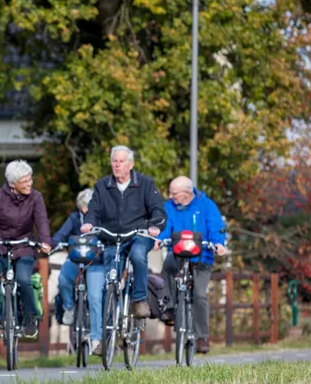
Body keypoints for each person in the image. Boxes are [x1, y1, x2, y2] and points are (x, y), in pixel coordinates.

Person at [81, 145, 166, 328]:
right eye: (114, 161)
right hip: (112, 236)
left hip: (138, 234)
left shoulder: (145, 184)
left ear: (130, 164)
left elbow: (158, 209)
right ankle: (108, 328)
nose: (117, 165)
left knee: (137, 254)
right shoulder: (102, 185)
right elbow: (93, 210)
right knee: (111, 276)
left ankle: (139, 300)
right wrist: (89, 223)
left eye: (121, 161)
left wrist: (155, 226)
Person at [0, 160, 51, 339]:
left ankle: (30, 317)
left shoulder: (35, 198)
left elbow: (42, 221)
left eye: (30, 179)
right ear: (13, 184)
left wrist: (45, 242)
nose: (29, 184)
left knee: (23, 278)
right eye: (25, 181)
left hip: (24, 246)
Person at [156, 176, 227, 354]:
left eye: (174, 194)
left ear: (187, 193)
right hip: (179, 251)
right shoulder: (169, 207)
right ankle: (170, 307)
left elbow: (216, 225)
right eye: (170, 193)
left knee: (200, 294)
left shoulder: (206, 205)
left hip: (202, 255)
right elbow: (165, 227)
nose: (171, 196)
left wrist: (218, 243)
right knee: (168, 268)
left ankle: (202, 337)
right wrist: (159, 240)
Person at [53, 188, 106, 353]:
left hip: (96, 262)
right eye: (84, 208)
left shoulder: (103, 219)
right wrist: (54, 244)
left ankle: (97, 337)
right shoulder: (75, 218)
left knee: (95, 297)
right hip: (76, 259)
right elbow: (60, 234)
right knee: (63, 279)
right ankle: (69, 307)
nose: (86, 211)